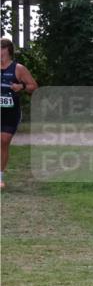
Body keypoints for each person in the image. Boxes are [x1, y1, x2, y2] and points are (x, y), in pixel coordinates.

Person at [1, 38, 39, 190]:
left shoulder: (18, 68)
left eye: (0, 48)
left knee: (3, 141)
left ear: (7, 50)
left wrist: (21, 86)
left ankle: (0, 178)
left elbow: (34, 86)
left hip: (11, 112)